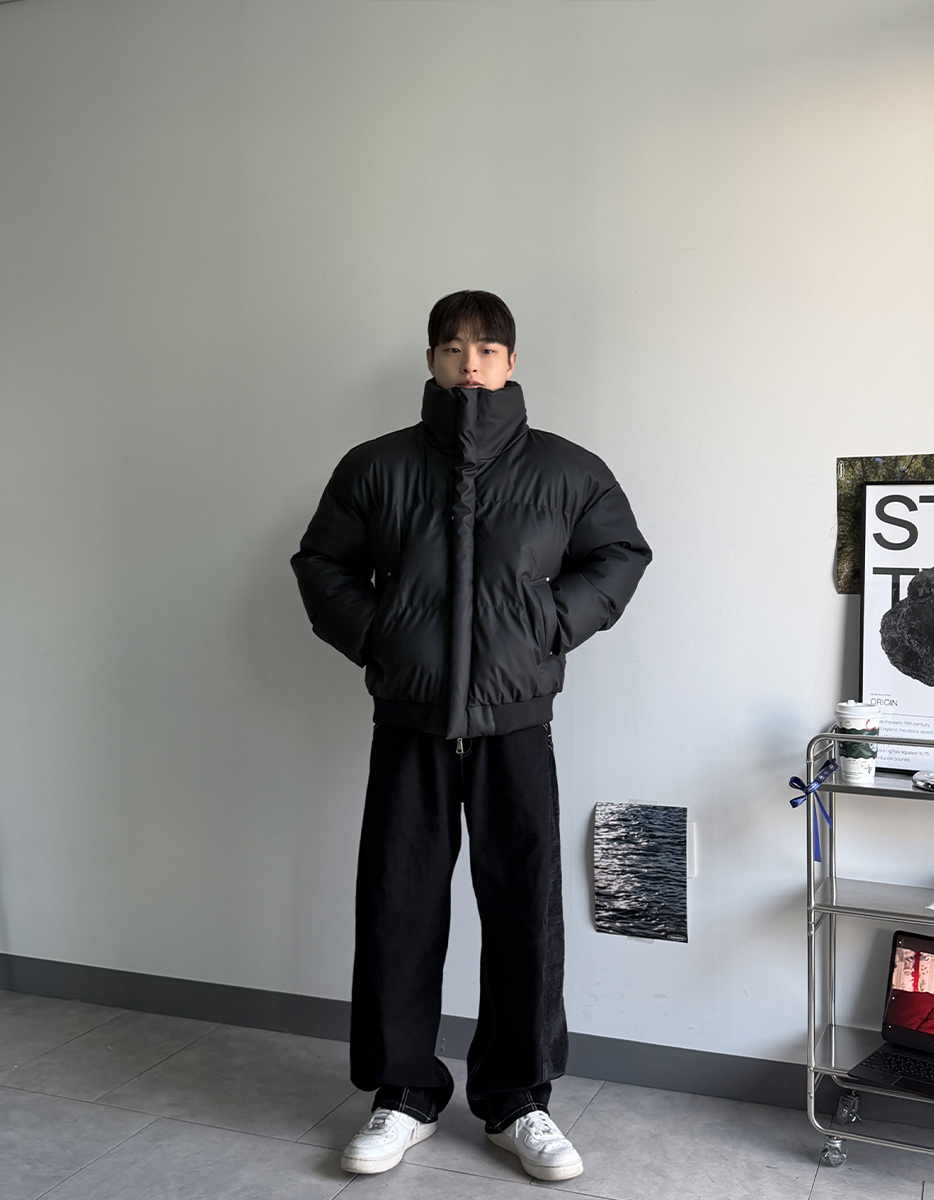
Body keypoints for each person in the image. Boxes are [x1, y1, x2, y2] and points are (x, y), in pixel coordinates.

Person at [291, 290, 651, 1181]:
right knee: (398, 906)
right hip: (411, 722)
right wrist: (380, 636)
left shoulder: (566, 469)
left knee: (524, 909)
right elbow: (321, 562)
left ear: (511, 363)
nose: (470, 365)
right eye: (453, 349)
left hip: (516, 723)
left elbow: (620, 554)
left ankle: (516, 1101)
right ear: (431, 361)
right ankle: (403, 1094)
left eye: (487, 350)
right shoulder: (376, 466)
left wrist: (549, 625)